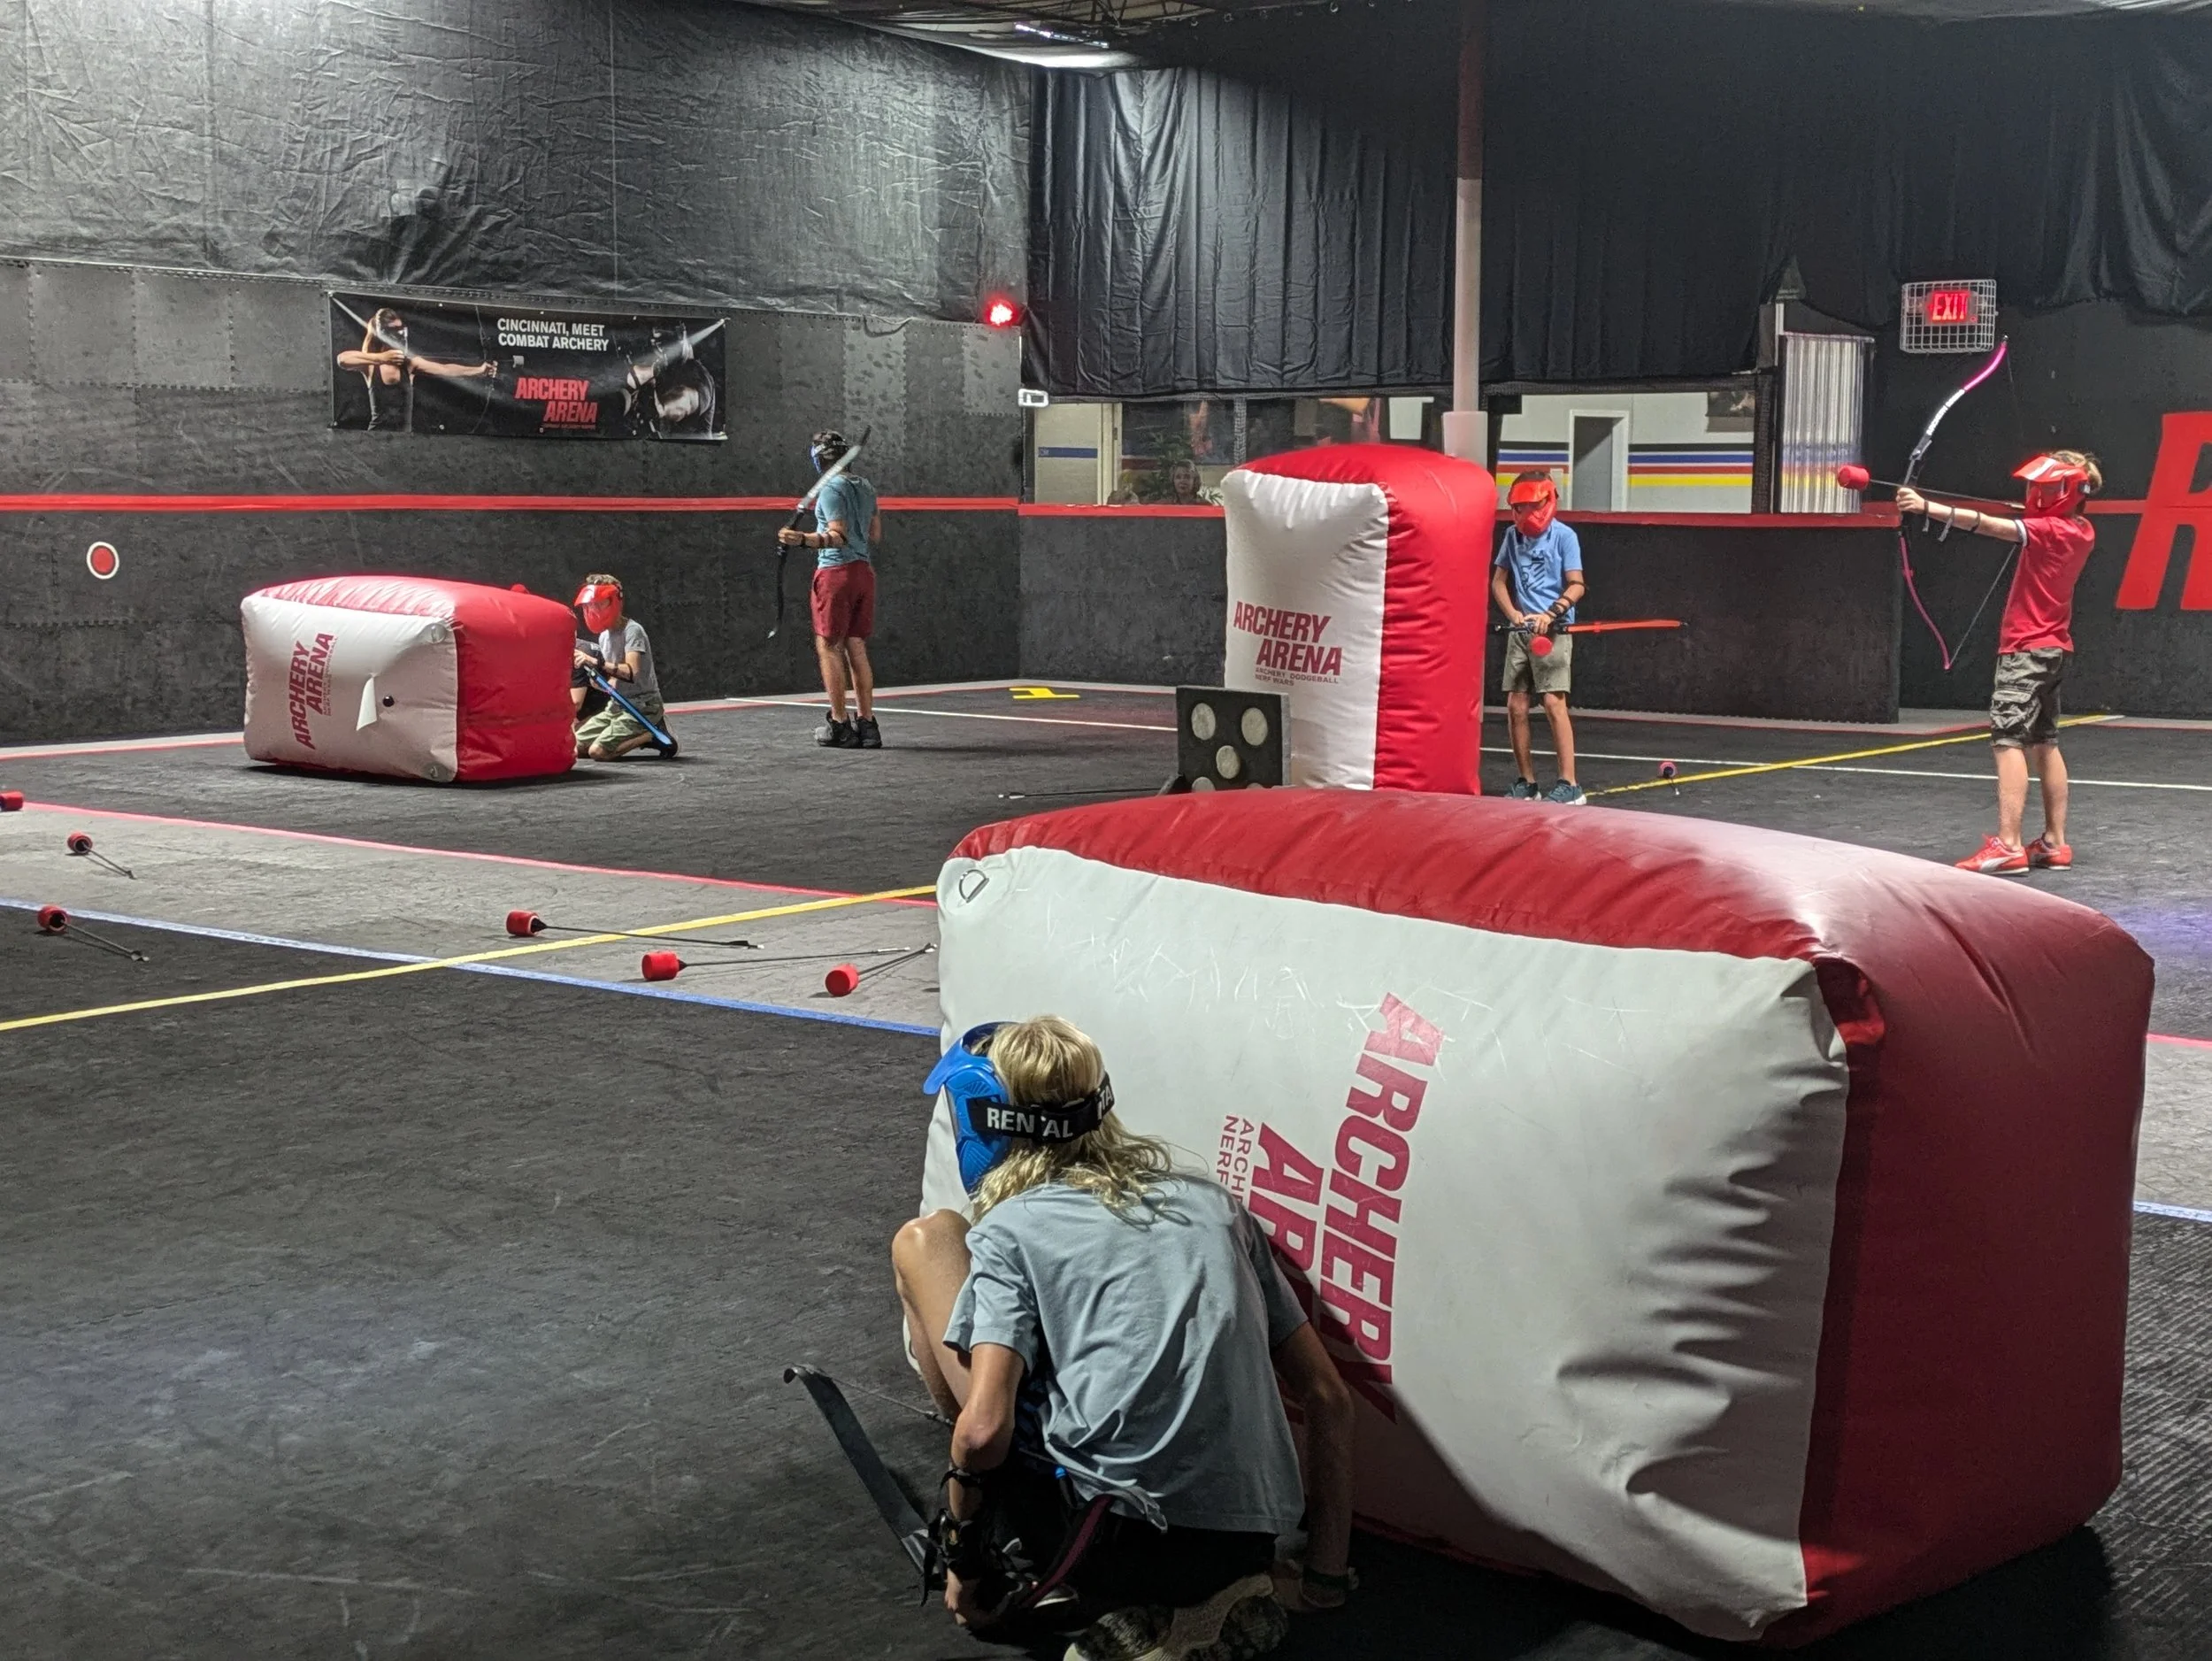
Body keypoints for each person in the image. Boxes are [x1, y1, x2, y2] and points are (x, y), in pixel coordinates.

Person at [892, 1017, 1356, 1661]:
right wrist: (1326, 1574)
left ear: (986, 1124)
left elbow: (981, 1432)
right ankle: (1213, 1598)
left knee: (926, 1240)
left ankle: (1070, 1572)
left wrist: (964, 1565)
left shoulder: (1011, 1231)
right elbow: (1329, 1398)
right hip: (1246, 1536)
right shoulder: (1214, 1205)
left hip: (1103, 1538)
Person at [1896, 450, 2102, 874]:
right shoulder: (2081, 529)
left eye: (2045, 489)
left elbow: (1988, 525)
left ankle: (2009, 845)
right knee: (2045, 741)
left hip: (2026, 649)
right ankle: (2054, 843)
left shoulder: (2047, 530)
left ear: (2064, 492)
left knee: (2007, 740)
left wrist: (1925, 507)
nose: (2035, 495)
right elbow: (2025, 522)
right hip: (2053, 649)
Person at [778, 431, 882, 750]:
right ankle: (868, 725)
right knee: (857, 648)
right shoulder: (865, 486)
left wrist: (803, 540)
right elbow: (874, 534)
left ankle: (840, 724)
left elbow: (837, 536)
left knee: (829, 647)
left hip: (836, 574)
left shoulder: (829, 489)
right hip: (864, 573)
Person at [1490, 471, 1587, 804]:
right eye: (1518, 508)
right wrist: (1513, 614)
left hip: (1554, 632)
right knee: (1516, 705)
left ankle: (1570, 784)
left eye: (1531, 506)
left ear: (1547, 502)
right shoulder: (1512, 537)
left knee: (1552, 702)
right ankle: (1527, 782)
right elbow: (1499, 582)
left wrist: (1552, 613)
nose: (1524, 515)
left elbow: (1576, 584)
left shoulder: (1564, 537)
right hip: (1521, 633)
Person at [333, 307, 495, 432]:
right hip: (377, 437)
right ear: (382, 334)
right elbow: (343, 359)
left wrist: (479, 371)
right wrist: (380, 358)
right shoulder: (370, 366)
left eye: (399, 329)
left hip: (405, 440)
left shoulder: (410, 364)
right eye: (392, 331)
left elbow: (445, 369)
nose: (397, 335)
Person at [571, 574, 671, 759]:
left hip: (642, 706)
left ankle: (652, 733)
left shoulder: (632, 631)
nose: (593, 610)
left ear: (614, 602)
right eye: (590, 605)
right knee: (575, 746)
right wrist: (594, 678)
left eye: (600, 604)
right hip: (618, 706)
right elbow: (614, 682)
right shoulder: (604, 636)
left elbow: (631, 673)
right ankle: (634, 732)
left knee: (598, 752)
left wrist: (595, 662)